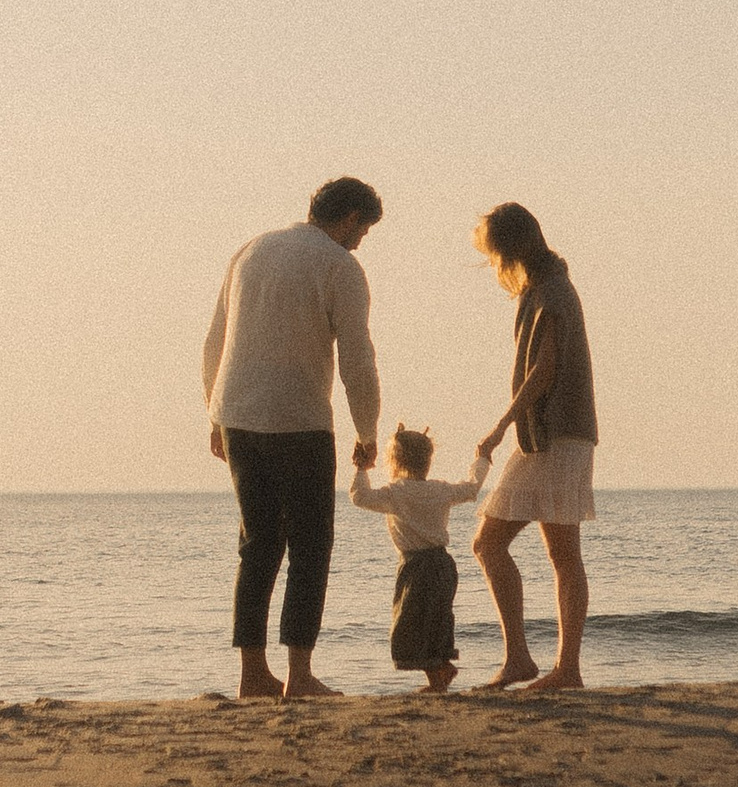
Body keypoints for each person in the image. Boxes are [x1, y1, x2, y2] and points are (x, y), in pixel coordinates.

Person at [203, 178, 384, 699]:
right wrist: (368, 430)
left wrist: (215, 414)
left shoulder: (250, 249)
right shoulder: (339, 266)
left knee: (257, 545)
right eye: (363, 229)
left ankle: (252, 674)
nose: (360, 241)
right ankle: (300, 675)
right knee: (310, 547)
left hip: (238, 413)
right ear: (349, 219)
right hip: (298, 419)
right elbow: (357, 357)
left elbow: (217, 337)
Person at [471, 201, 597, 691]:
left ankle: (562, 669)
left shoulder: (553, 293)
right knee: (509, 546)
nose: (492, 265)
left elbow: (544, 370)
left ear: (511, 249)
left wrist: (501, 424)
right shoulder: (546, 288)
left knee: (525, 547)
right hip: (548, 435)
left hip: (556, 437)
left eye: (494, 254)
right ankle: (526, 660)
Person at [350, 421, 493, 694]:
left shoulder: (396, 493)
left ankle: (439, 674)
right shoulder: (440, 490)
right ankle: (439, 674)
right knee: (436, 619)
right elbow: (472, 488)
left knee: (412, 622)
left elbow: (360, 497)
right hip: (442, 564)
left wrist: (361, 468)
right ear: (428, 460)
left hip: (415, 566)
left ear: (395, 460)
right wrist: (482, 460)